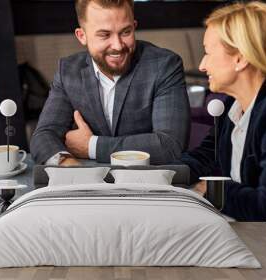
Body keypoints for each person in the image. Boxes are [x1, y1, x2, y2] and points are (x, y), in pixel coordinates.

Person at [181, 1, 266, 221]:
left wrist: (213, 191)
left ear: (240, 59)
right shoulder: (234, 104)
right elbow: (206, 157)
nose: (202, 65)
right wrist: (160, 175)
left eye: (208, 53)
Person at [30, 0, 190, 166]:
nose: (118, 46)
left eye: (125, 32)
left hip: (147, 185)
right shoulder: (68, 71)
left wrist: (91, 146)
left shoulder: (164, 65)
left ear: (134, 26)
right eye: (104, 35)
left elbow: (170, 145)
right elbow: (44, 135)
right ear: (82, 36)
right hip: (88, 182)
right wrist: (68, 164)